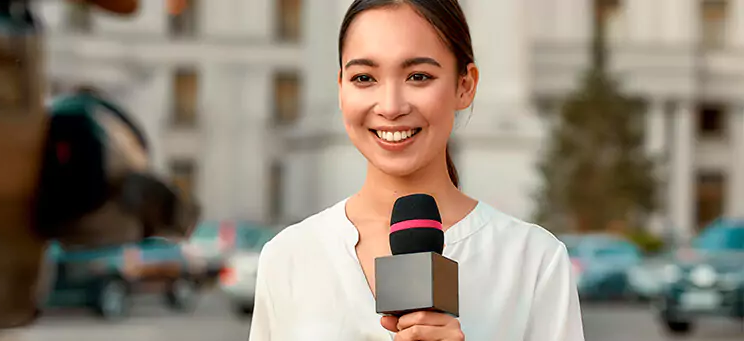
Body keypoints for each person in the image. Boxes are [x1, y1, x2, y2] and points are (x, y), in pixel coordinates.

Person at [248, 1, 585, 340]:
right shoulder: (288, 257)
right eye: (364, 78)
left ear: (464, 86)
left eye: (418, 76)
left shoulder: (533, 262)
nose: (391, 107)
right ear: (341, 88)